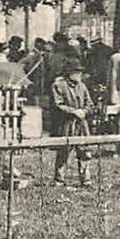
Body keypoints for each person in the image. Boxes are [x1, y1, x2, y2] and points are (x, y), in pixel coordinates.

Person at [50, 58, 95, 186]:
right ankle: (59, 179)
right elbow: (58, 105)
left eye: (80, 72)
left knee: (84, 151)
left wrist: (84, 111)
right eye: (77, 72)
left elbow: (90, 104)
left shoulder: (82, 86)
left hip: (81, 124)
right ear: (69, 72)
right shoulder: (58, 85)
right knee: (64, 151)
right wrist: (73, 111)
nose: (79, 75)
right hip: (66, 123)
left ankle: (86, 179)